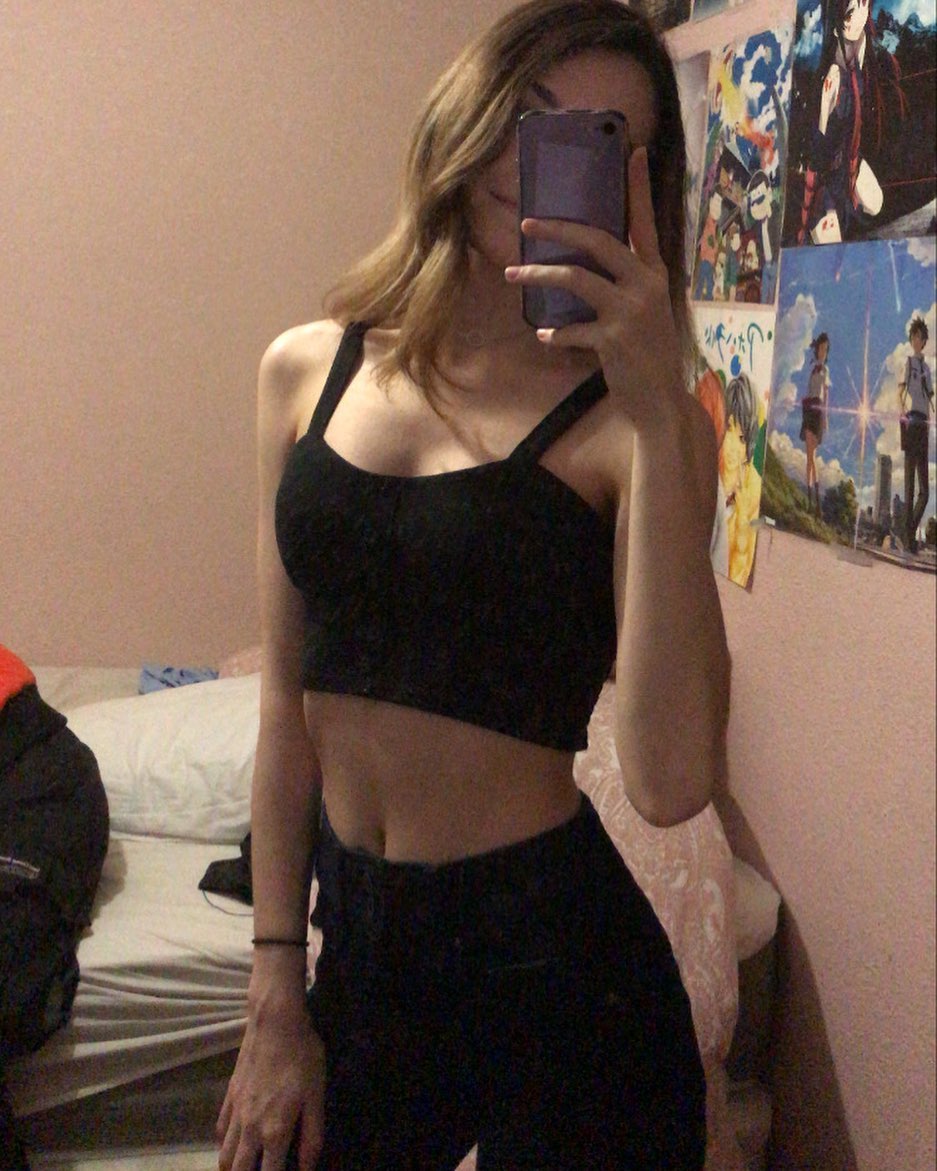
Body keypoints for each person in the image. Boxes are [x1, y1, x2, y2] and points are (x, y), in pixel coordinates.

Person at [217, 2, 730, 1168]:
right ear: (468, 111)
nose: (531, 164)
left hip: (562, 966)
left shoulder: (636, 427)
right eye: (525, 117)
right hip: (362, 944)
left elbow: (669, 782)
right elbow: (284, 709)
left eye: (593, 142)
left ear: (638, 191)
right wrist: (273, 988)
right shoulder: (304, 370)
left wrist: (661, 414)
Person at [899, 316, 933, 555]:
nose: (916, 340)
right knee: (909, 487)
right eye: (914, 337)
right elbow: (900, 391)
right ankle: (909, 541)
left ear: (924, 340)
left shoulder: (927, 369)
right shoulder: (909, 363)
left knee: (925, 491)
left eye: (920, 337)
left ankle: (907, 533)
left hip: (924, 426)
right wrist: (901, 413)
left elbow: (930, 398)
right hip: (911, 422)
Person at [800, 332, 830, 516]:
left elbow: (825, 395)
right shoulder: (811, 368)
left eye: (826, 349)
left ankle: (815, 503)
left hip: (818, 410)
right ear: (817, 349)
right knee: (809, 457)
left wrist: (825, 417)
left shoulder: (825, 370)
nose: (823, 352)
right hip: (808, 409)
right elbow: (809, 390)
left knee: (812, 456)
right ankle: (810, 502)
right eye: (821, 348)